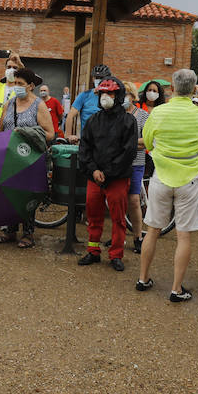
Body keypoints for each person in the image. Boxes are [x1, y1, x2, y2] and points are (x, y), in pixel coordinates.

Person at [137, 69, 198, 302]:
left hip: (161, 176)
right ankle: (176, 289)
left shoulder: (158, 112)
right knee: (183, 235)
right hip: (189, 178)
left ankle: (143, 278)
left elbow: (147, 141)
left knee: (153, 229)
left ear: (172, 89)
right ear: (194, 88)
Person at [78, 78, 137, 270]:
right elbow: (85, 148)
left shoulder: (129, 121)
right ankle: (93, 251)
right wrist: (94, 170)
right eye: (103, 93)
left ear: (118, 96)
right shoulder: (93, 120)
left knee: (118, 218)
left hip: (117, 179)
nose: (106, 97)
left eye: (110, 93)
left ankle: (116, 255)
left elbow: (128, 152)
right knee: (93, 215)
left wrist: (108, 172)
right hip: (94, 178)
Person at [0, 67, 55, 247]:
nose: (16, 87)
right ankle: (10, 231)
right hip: (9, 157)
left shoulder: (39, 105)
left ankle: (28, 234)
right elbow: (1, 129)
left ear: (30, 86)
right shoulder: (10, 104)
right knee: (9, 193)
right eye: (15, 83)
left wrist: (26, 132)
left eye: (20, 84)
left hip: (30, 159)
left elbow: (50, 133)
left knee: (27, 195)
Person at [123, 82, 151, 252]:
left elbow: (147, 140)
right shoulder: (115, 114)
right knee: (117, 200)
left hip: (136, 163)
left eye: (127, 93)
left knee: (133, 200)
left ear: (133, 96)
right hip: (117, 163)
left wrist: (127, 143)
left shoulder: (142, 115)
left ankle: (138, 237)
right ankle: (116, 236)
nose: (124, 97)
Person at [65, 63, 114, 141]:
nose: (98, 80)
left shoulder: (112, 96)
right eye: (96, 77)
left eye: (101, 77)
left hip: (106, 141)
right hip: (87, 141)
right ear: (92, 78)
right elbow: (70, 116)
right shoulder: (84, 95)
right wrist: (68, 136)